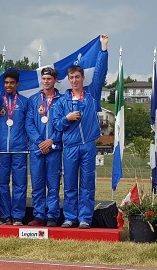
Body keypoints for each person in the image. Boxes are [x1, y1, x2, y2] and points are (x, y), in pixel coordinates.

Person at [53, 34, 109, 229]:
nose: (75, 80)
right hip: (69, 146)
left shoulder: (92, 95)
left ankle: (85, 218)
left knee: (87, 183)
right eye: (72, 77)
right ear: (68, 80)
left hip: (87, 145)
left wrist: (103, 49)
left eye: (78, 77)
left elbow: (101, 73)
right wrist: (67, 119)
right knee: (69, 184)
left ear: (83, 78)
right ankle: (69, 217)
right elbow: (57, 125)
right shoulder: (62, 102)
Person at [0, 69, 28, 226]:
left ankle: (17, 216)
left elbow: (28, 124)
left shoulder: (25, 102)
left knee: (20, 184)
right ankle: (5, 215)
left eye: (12, 83)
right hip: (2, 149)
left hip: (20, 149)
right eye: (6, 83)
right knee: (2, 184)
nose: (9, 85)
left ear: (17, 84)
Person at [25, 67, 63, 227]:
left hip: (54, 148)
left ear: (55, 80)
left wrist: (51, 140)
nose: (46, 81)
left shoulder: (62, 100)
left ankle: (52, 216)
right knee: (38, 184)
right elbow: (29, 124)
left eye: (49, 79)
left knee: (53, 185)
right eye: (44, 79)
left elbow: (64, 125)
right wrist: (41, 142)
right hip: (37, 149)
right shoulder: (33, 100)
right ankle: (39, 215)